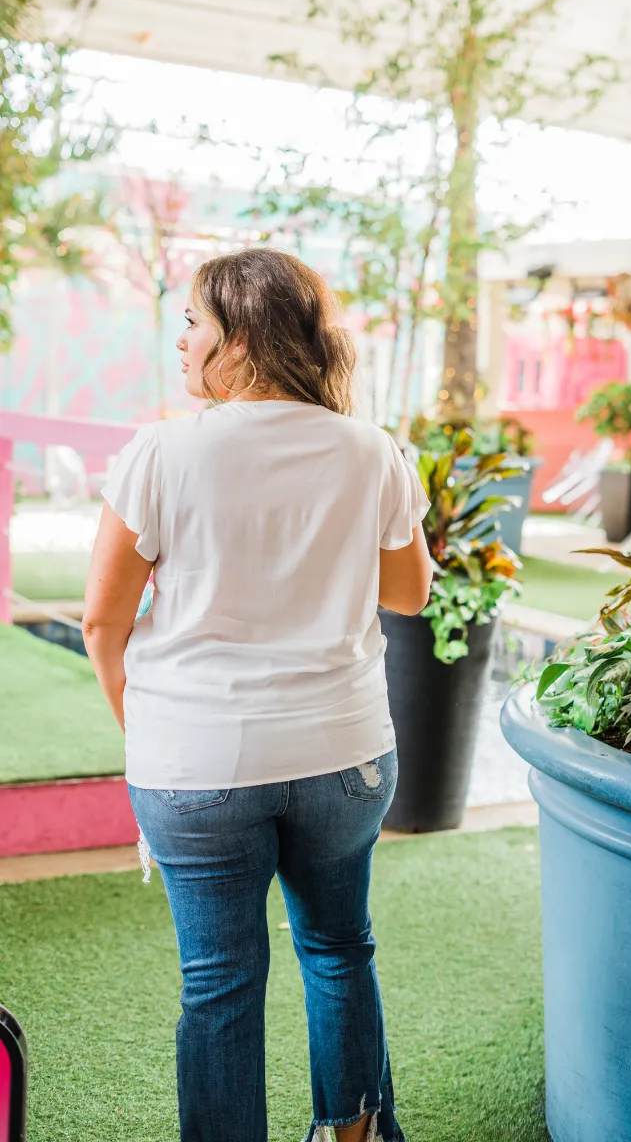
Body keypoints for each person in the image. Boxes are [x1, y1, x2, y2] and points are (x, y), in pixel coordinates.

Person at [82, 248, 432, 1142]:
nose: (182, 339)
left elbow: (102, 624)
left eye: (194, 322)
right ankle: (351, 1135)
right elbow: (409, 594)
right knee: (340, 950)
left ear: (240, 338)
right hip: (344, 756)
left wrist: (152, 733)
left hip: (196, 762)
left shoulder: (162, 450)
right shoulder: (371, 450)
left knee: (220, 982)